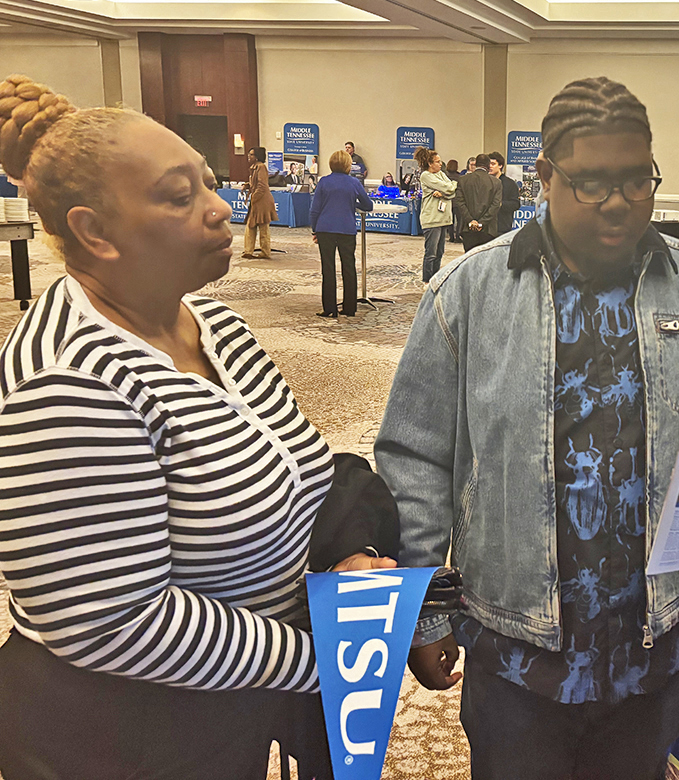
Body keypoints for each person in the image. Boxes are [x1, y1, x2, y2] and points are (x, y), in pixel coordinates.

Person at [0, 74, 397, 780]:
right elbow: (114, 623)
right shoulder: (68, 380)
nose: (220, 209)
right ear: (95, 232)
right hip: (128, 735)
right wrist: (319, 660)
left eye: (210, 184)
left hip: (229, 704)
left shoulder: (216, 325)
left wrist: (344, 556)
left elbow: (290, 468)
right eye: (180, 198)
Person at [375, 75, 679, 780]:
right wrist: (423, 614)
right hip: (518, 652)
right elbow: (415, 457)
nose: (617, 204)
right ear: (544, 176)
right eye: (589, 183)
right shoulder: (469, 292)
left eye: (635, 180)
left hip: (659, 648)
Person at [309, 149, 373, 318]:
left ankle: (330, 308)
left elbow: (315, 209)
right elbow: (368, 205)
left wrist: (314, 229)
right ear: (348, 165)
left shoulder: (323, 182)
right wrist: (352, 202)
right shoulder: (354, 183)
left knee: (328, 268)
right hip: (346, 229)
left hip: (325, 228)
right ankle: (349, 307)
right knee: (349, 268)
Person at [415, 146, 457, 282]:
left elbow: (452, 191)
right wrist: (449, 189)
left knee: (439, 252)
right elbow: (449, 187)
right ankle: (427, 280)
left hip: (444, 219)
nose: (440, 164)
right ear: (430, 163)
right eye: (437, 161)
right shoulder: (426, 176)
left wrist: (445, 192)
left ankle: (436, 278)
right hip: (432, 219)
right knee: (431, 253)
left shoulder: (441, 174)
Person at [452, 153, 502, 253]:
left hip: (468, 229)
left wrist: (470, 220)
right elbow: (496, 205)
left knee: (469, 260)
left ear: (476, 165)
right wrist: (481, 223)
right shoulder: (496, 182)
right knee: (485, 262)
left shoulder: (463, 180)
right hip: (488, 230)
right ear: (488, 166)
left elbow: (460, 202)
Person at [241, 145, 276, 258]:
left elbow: (262, 185)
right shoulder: (254, 167)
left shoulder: (261, 167)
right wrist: (247, 186)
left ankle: (265, 252)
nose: (249, 156)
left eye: (251, 154)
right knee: (251, 225)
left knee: (263, 226)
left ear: (257, 157)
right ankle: (248, 251)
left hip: (262, 201)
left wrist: (254, 197)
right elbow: (255, 183)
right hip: (258, 200)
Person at [488, 150, 521, 235]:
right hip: (486, 226)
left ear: (500, 165)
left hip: (502, 226)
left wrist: (500, 204)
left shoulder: (509, 183)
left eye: (493, 164)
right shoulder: (485, 182)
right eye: (488, 164)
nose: (489, 166)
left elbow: (515, 204)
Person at [446, 159, 463, 242]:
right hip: (457, 201)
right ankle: (458, 236)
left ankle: (451, 236)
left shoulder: (445, 176)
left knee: (450, 220)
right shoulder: (459, 177)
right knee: (459, 220)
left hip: (448, 200)